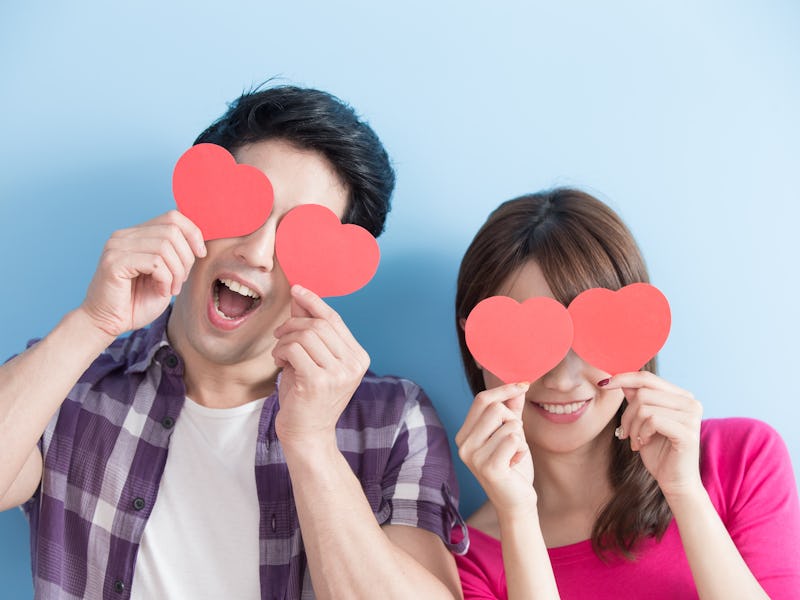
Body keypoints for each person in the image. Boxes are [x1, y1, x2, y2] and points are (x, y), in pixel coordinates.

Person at [0, 85, 466, 599]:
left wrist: (310, 443)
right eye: (244, 208)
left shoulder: (391, 419)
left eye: (300, 237)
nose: (259, 253)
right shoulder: (73, 385)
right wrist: (94, 321)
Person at [452, 188, 800, 599]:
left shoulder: (741, 460)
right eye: (530, 340)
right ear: (476, 345)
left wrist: (685, 492)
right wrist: (520, 515)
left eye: (588, 334)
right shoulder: (465, 559)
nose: (562, 379)